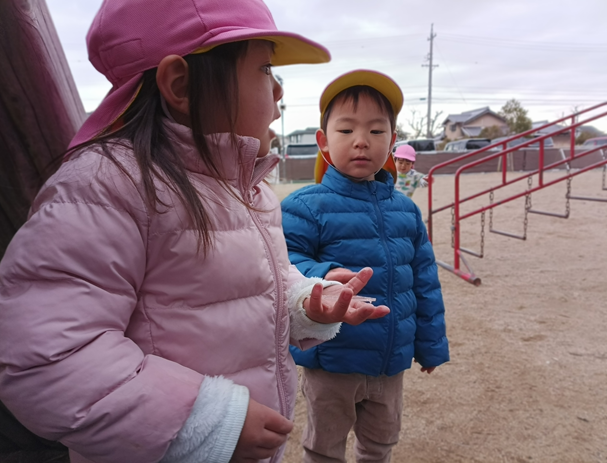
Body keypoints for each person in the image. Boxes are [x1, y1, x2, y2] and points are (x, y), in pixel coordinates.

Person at [0, 2, 391, 463]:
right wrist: (206, 421)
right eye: (265, 68)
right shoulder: (106, 187)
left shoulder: (246, 187)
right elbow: (46, 356)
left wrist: (304, 301)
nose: (279, 89)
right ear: (181, 85)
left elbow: (257, 282)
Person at [281, 70, 450, 463]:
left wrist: (431, 346)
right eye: (346, 130)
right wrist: (324, 274)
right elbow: (284, 261)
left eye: (376, 131)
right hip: (332, 360)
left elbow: (424, 282)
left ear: (392, 140)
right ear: (324, 141)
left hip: (390, 362)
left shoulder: (406, 211)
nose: (362, 140)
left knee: (379, 445)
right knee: (324, 448)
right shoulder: (305, 206)